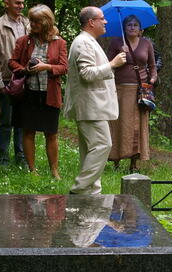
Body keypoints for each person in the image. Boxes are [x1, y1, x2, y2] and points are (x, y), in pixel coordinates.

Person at [64, 6, 126, 195]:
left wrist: (112, 65)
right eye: (102, 18)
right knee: (102, 145)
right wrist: (113, 64)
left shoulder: (89, 41)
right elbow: (87, 74)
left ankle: (92, 192)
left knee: (90, 151)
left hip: (93, 106)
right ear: (91, 22)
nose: (105, 21)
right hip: (90, 106)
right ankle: (80, 189)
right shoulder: (83, 42)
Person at [8, 4, 67, 179]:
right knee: (28, 131)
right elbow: (12, 63)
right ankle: (32, 170)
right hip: (28, 93)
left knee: (51, 133)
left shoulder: (59, 42)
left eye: (36, 21)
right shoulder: (23, 41)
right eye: (31, 20)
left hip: (50, 94)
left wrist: (46, 66)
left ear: (46, 22)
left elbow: (64, 67)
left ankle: (54, 171)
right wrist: (25, 69)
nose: (31, 24)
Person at [107, 15, 157, 172]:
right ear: (124, 28)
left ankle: (133, 163)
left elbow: (152, 65)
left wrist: (153, 79)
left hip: (140, 91)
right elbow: (108, 65)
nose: (132, 27)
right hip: (120, 89)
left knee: (137, 125)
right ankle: (116, 160)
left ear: (140, 29)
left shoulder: (146, 43)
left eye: (136, 25)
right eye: (129, 25)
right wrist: (119, 56)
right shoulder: (116, 42)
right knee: (119, 124)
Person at [0, 0, 29, 167]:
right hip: (6, 78)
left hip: (26, 78)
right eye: (17, 3)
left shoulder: (27, 23)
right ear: (6, 3)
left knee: (22, 119)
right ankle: (3, 157)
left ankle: (21, 156)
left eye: (23, 3)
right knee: (6, 119)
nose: (21, 6)